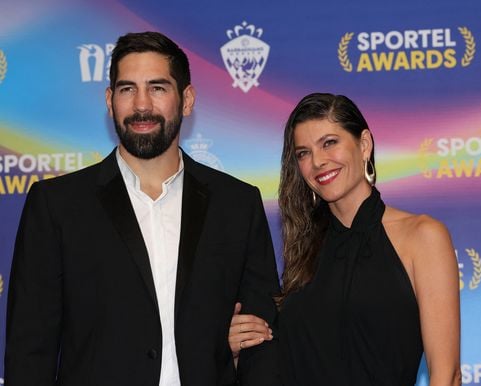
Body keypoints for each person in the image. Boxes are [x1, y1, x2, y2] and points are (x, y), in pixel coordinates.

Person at [5, 31, 280, 386]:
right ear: (109, 100)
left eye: (158, 87)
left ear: (187, 99)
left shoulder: (237, 204)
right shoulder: (57, 205)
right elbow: (30, 351)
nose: (141, 105)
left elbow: (262, 341)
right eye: (127, 89)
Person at [228, 93, 460, 386]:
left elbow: (447, 375)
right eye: (303, 153)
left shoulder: (422, 236)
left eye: (329, 143)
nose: (318, 162)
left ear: (364, 145)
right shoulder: (303, 251)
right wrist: (239, 351)